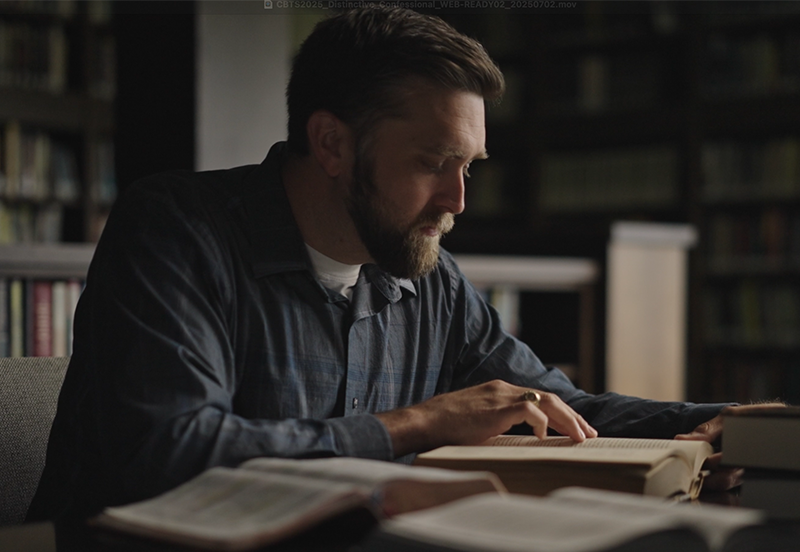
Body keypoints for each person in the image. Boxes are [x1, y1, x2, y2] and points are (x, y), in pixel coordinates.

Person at [28, 7, 747, 523]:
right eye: (436, 163)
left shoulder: (429, 276)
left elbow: (559, 411)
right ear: (333, 144)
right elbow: (170, 451)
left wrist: (732, 421)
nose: (459, 199)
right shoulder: (177, 230)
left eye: (470, 167)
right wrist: (418, 424)